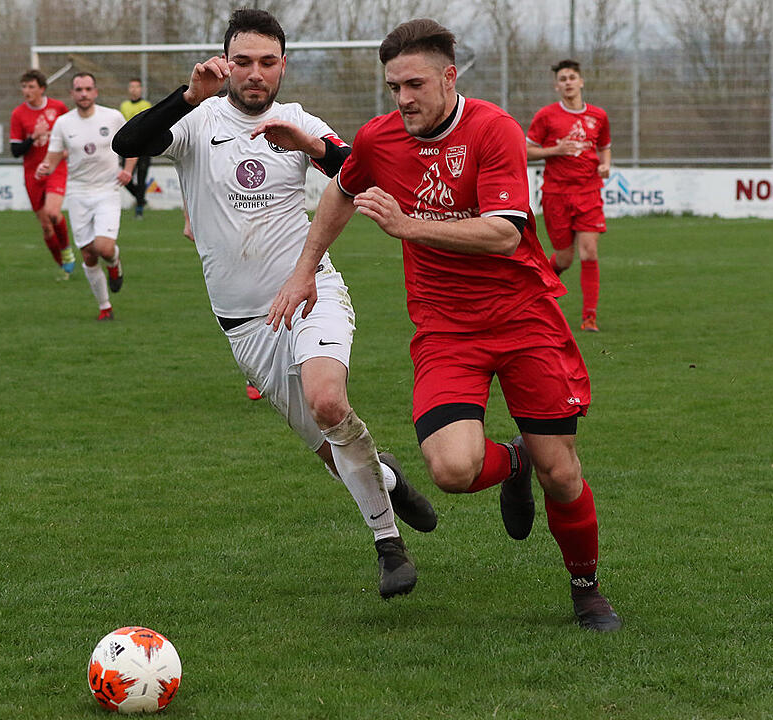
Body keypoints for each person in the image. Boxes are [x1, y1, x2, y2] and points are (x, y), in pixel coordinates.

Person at [268, 19, 621, 631]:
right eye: (392, 86)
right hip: (446, 330)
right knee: (453, 469)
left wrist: (409, 226)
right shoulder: (380, 139)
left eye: (414, 84)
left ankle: (586, 589)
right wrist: (304, 271)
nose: (402, 98)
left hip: (522, 319)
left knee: (561, 472)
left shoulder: (493, 129)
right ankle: (512, 463)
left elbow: (504, 231)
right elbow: (341, 191)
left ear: (448, 76)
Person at [113, 8, 437, 599]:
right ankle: (386, 477)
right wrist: (187, 95)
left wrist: (312, 145)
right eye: (243, 61)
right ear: (225, 62)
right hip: (244, 324)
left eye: (267, 62)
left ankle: (389, 547)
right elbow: (127, 142)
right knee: (334, 451)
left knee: (328, 402)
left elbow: (361, 176)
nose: (255, 73)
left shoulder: (298, 121)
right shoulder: (196, 118)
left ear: (283, 65)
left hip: (310, 289)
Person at [37, 72, 135, 321]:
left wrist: (127, 170)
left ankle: (114, 263)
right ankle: (105, 307)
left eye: (88, 89)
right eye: (78, 89)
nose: (83, 94)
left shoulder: (112, 117)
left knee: (103, 248)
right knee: (89, 254)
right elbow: (54, 155)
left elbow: (134, 143)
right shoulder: (63, 123)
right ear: (72, 94)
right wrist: (45, 166)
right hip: (78, 193)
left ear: (95, 92)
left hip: (107, 190)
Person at [526, 59, 611, 332]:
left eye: (572, 77)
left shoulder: (598, 115)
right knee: (564, 259)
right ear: (556, 86)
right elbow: (526, 151)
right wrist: (555, 151)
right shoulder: (546, 116)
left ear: (581, 81)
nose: (568, 82)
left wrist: (605, 163)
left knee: (589, 252)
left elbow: (605, 145)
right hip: (556, 194)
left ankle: (589, 318)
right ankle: (535, 294)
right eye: (562, 79)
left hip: (589, 191)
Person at [181, 205, 263, 401]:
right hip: (224, 224)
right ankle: (257, 366)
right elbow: (187, 178)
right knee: (243, 289)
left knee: (275, 284)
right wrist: (188, 217)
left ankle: (269, 364)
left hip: (267, 219)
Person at [9, 69, 76, 279]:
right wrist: (33, 137)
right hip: (32, 174)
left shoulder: (58, 108)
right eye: (24, 87)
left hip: (55, 167)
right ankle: (63, 265)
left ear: (42, 89)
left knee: (53, 214)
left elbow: (72, 135)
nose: (26, 91)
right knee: (46, 227)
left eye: (31, 86)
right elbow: (15, 151)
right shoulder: (18, 114)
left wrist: (68, 150)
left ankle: (66, 250)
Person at [119, 78, 153, 219]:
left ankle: (139, 210)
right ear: (128, 89)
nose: (134, 89)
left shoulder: (146, 105)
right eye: (131, 87)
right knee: (125, 178)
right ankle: (141, 199)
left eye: (136, 87)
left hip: (144, 147)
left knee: (141, 178)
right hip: (129, 147)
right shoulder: (124, 106)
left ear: (141, 89)